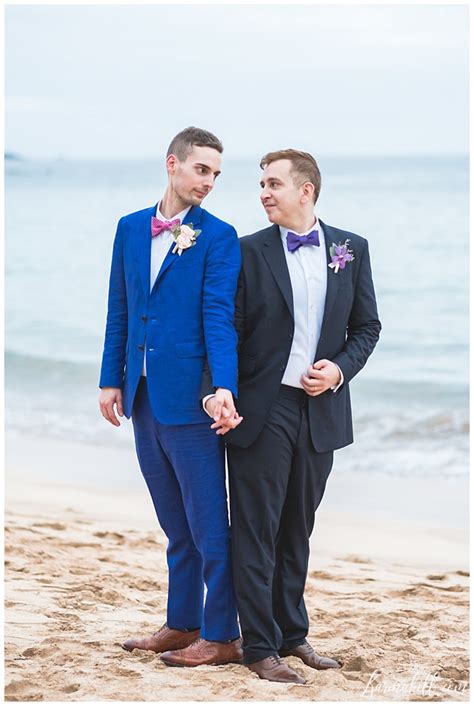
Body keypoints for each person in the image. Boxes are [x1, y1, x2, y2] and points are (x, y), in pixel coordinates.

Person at [202, 149, 381, 683]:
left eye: (273, 183)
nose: (263, 192)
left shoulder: (351, 248)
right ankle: (258, 647)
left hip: (321, 408)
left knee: (297, 527)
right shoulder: (247, 251)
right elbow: (227, 328)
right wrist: (221, 390)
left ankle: (290, 634)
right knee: (256, 529)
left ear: (306, 191)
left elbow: (367, 327)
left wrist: (339, 371)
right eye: (261, 183)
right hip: (262, 408)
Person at [98, 127, 243, 667]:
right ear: (172, 164)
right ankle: (182, 623)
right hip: (142, 398)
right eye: (201, 169)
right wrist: (110, 377)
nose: (209, 181)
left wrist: (222, 388)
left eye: (216, 174)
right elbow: (120, 306)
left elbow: (219, 321)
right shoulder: (130, 228)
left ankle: (222, 633)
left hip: (191, 401)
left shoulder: (219, 236)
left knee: (209, 526)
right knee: (173, 524)